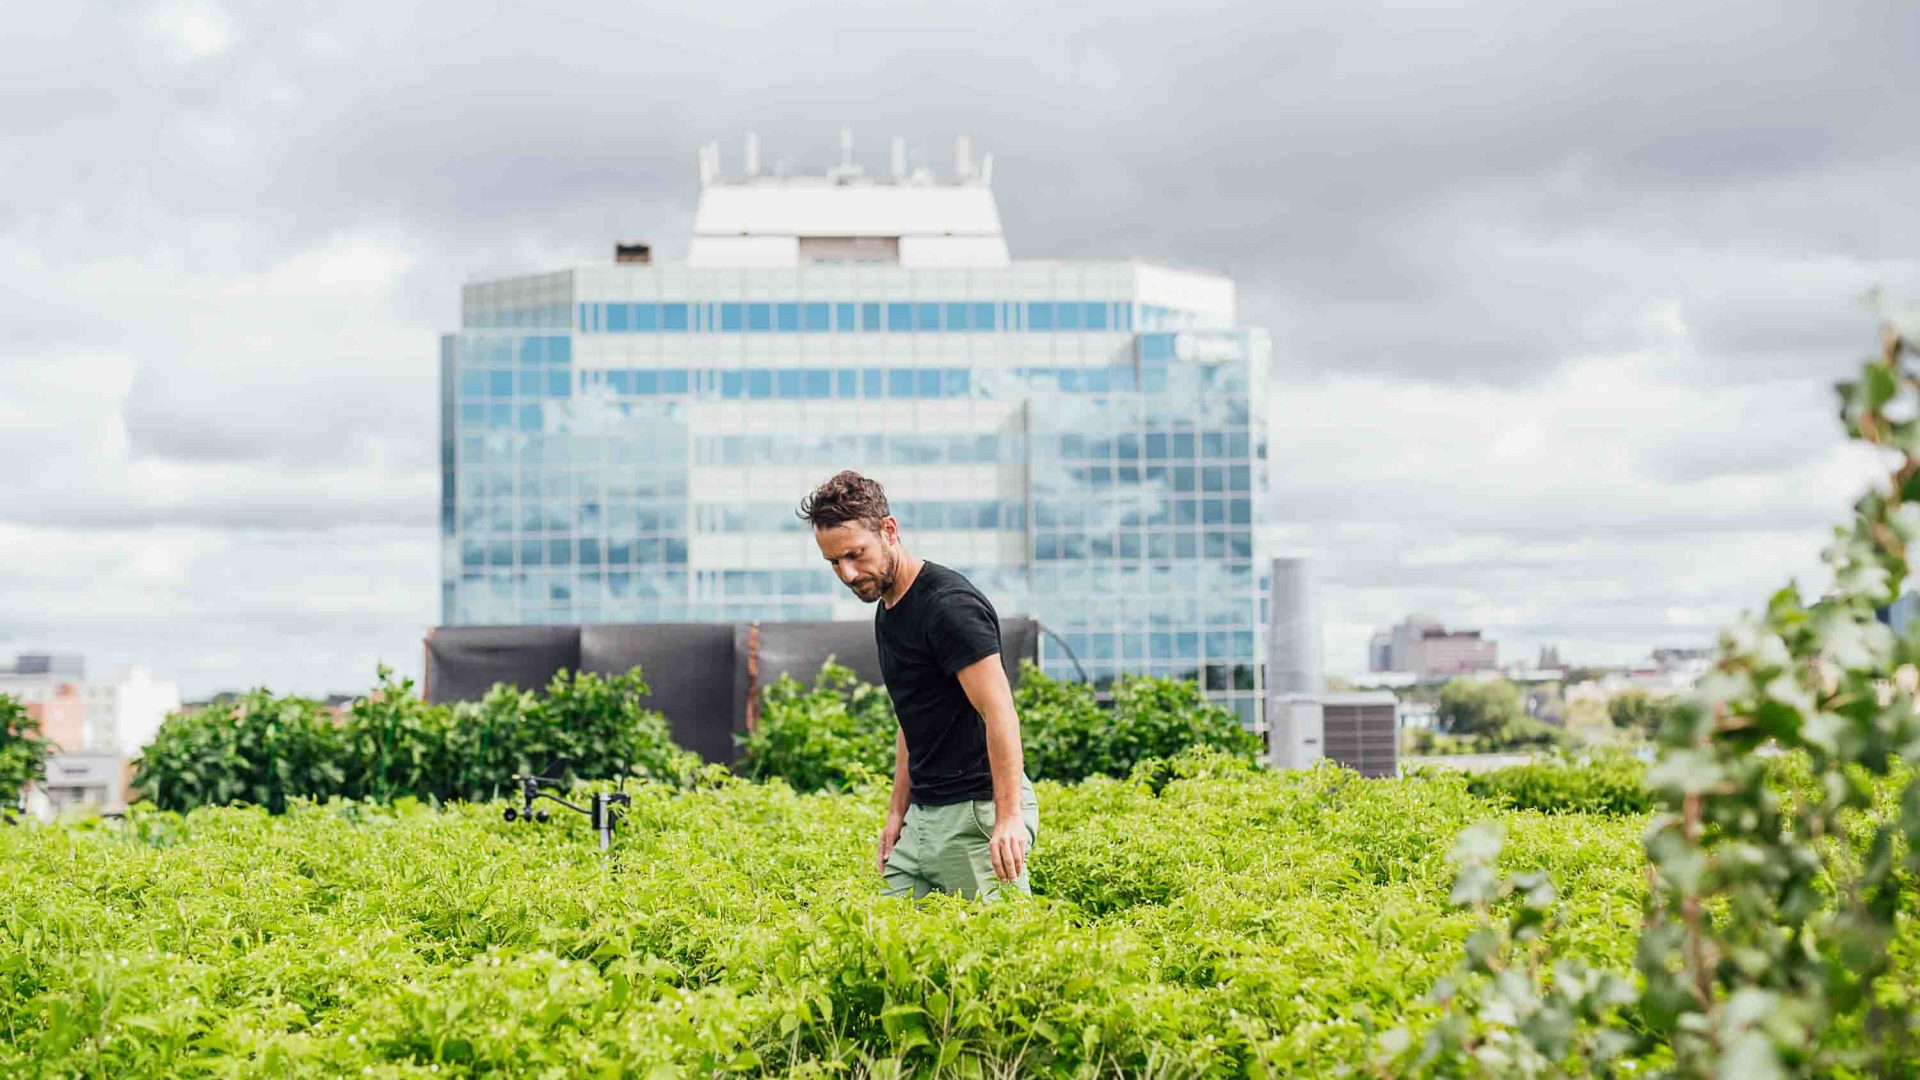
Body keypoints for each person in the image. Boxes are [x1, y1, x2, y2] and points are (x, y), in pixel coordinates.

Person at [799, 470, 1039, 899]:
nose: (848, 574)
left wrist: (1008, 818)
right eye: (834, 562)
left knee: (1002, 954)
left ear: (889, 530)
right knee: (886, 952)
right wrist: (897, 813)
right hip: (924, 819)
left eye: (855, 554)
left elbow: (999, 709)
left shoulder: (950, 607)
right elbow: (913, 717)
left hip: (976, 813)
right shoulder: (888, 608)